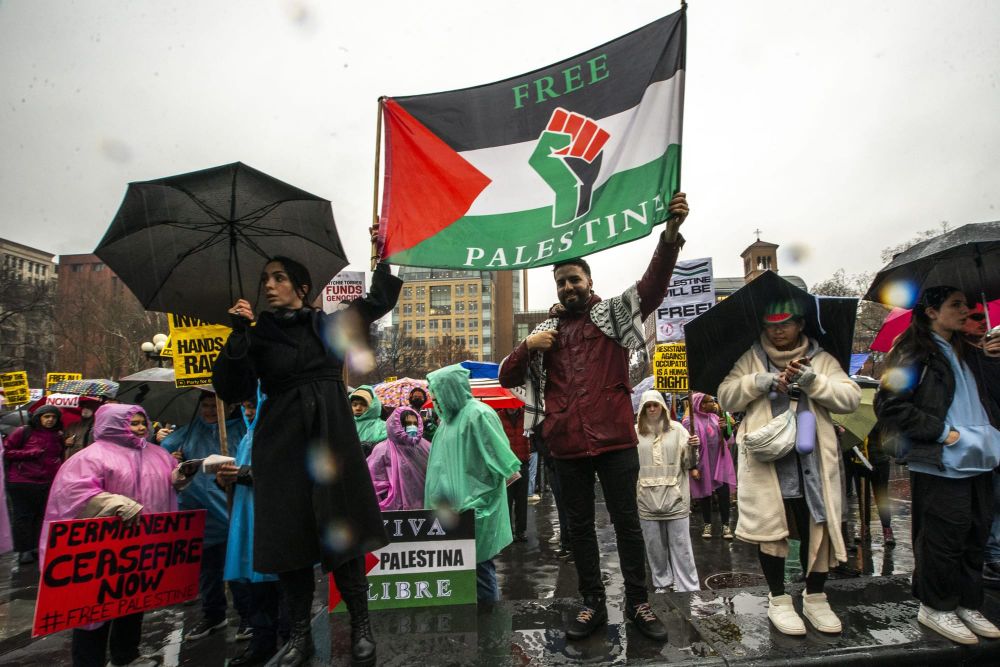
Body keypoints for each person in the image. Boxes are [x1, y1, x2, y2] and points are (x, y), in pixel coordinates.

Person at [499, 191, 689, 641]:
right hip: (566, 445)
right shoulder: (546, 332)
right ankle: (592, 604)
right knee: (579, 530)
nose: (568, 287)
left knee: (627, 524)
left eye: (574, 279)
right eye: (561, 282)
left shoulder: (612, 316)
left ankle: (639, 602)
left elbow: (653, 287)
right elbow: (508, 376)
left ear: (589, 280)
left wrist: (670, 236)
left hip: (616, 441)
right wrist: (528, 347)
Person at [213, 256, 400, 667]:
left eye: (279, 278)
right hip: (282, 447)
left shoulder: (329, 326)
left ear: (301, 288)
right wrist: (238, 336)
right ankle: (300, 635)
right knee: (289, 541)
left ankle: (360, 626)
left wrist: (383, 259)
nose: (269, 285)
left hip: (332, 440)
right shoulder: (257, 336)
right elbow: (231, 388)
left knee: (345, 535)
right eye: (265, 279)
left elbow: (377, 302)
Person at [718, 299, 861, 636]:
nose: (778, 330)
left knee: (818, 522)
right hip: (769, 462)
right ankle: (779, 598)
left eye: (785, 323)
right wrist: (761, 382)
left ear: (800, 324)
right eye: (771, 324)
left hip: (814, 459)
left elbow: (850, 398)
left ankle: (815, 597)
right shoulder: (750, 357)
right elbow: (726, 395)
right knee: (772, 528)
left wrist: (813, 381)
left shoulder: (822, 357)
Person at [875, 286, 1000, 645]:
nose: (965, 312)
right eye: (955, 305)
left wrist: (993, 361)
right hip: (941, 463)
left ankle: (967, 601)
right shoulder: (914, 352)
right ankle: (935, 605)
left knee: (976, 534)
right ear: (931, 311)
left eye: (967, 305)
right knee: (943, 538)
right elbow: (891, 405)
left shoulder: (969, 351)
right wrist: (942, 433)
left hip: (980, 460)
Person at [39, 404, 188, 667]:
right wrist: (116, 504)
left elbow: (167, 482)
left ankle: (126, 655)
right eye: (134, 423)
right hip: (101, 551)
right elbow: (73, 494)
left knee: (132, 602)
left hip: (140, 545)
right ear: (113, 424)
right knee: (92, 611)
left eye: (143, 422)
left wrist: (180, 475)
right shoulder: (90, 457)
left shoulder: (157, 453)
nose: (141, 428)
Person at [424, 364, 522, 603]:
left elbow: (505, 465)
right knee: (464, 570)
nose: (432, 396)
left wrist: (480, 501)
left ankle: (491, 626)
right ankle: (479, 622)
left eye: (435, 390)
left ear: (449, 388)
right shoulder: (447, 422)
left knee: (480, 568)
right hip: (453, 510)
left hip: (473, 507)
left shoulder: (478, 414)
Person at [161, 391, 247, 641]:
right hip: (198, 509)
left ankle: (247, 617)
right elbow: (166, 450)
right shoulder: (189, 430)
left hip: (230, 506)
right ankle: (213, 615)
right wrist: (173, 455)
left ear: (229, 407)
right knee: (208, 570)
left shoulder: (242, 429)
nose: (209, 411)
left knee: (237, 566)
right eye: (205, 405)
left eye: (214, 406)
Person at [216, 393, 285, 666]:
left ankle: (291, 640)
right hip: (248, 520)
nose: (248, 412)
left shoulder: (279, 434)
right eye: (245, 406)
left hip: (274, 521)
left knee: (281, 588)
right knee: (257, 590)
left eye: (253, 406)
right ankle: (261, 644)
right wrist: (225, 479)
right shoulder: (247, 437)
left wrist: (244, 474)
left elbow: (285, 473)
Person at [635, 390, 700, 592]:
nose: (652, 409)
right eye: (648, 406)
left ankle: (688, 587)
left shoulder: (679, 430)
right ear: (643, 409)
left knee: (682, 547)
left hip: (676, 498)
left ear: (663, 407)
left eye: (656, 405)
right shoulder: (634, 433)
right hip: (646, 500)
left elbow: (688, 464)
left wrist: (693, 448)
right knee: (654, 548)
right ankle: (661, 583)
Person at [3, 404, 64, 565]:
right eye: (46, 416)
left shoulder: (57, 435)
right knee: (23, 517)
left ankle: (37, 546)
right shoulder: (24, 432)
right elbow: (7, 452)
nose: (50, 420)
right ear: (39, 417)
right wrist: (30, 453)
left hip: (46, 482)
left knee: (41, 516)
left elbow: (58, 456)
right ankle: (24, 550)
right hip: (22, 481)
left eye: (53, 417)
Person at [684, 393, 737, 539]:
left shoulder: (716, 418)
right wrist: (692, 467)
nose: (714, 404)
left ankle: (726, 526)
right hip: (703, 464)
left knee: (724, 493)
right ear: (701, 404)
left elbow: (728, 439)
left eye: (714, 401)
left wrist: (725, 428)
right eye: (710, 402)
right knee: (705, 494)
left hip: (720, 462)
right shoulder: (690, 422)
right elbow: (686, 447)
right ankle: (707, 524)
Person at [367, 406, 431, 511]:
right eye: (407, 424)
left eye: (415, 424)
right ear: (396, 424)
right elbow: (374, 479)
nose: (412, 427)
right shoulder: (382, 449)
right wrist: (386, 498)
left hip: (422, 506)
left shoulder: (425, 446)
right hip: (395, 509)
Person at [497, 406, 531, 542]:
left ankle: (521, 531)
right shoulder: (499, 417)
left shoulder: (526, 415)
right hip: (506, 466)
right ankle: (507, 532)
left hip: (522, 463)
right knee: (507, 501)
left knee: (522, 501)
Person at [350, 385, 388, 457]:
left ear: (372, 406)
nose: (358, 408)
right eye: (354, 405)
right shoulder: (346, 424)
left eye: (363, 404)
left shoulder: (383, 426)